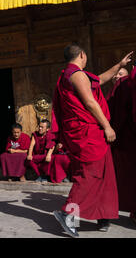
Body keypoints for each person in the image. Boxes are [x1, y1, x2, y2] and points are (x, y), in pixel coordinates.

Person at [52, 44, 132, 237]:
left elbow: (101, 79)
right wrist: (107, 126)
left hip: (88, 132)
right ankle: (67, 213)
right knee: (90, 173)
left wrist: (119, 64)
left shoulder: (74, 74)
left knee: (105, 174)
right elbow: (90, 102)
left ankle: (102, 214)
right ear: (82, 55)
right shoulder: (76, 75)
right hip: (88, 132)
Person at [108, 64, 136, 224]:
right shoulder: (118, 90)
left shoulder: (124, 85)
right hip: (127, 140)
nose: (117, 77)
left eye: (121, 74)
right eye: (116, 74)